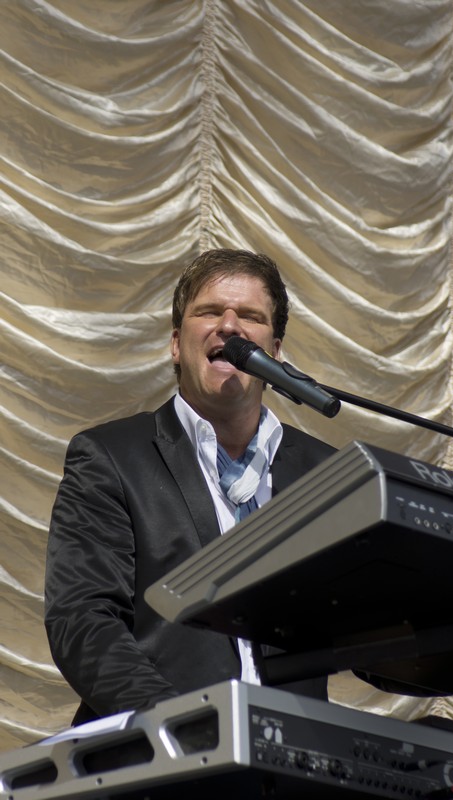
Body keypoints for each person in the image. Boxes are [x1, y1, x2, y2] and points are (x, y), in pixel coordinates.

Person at [45, 248, 336, 725]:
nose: (229, 326)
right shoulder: (111, 458)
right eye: (209, 312)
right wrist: (181, 724)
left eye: (250, 316)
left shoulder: (324, 473)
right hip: (161, 750)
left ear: (276, 352)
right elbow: (83, 621)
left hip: (292, 752)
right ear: (177, 345)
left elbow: (367, 628)